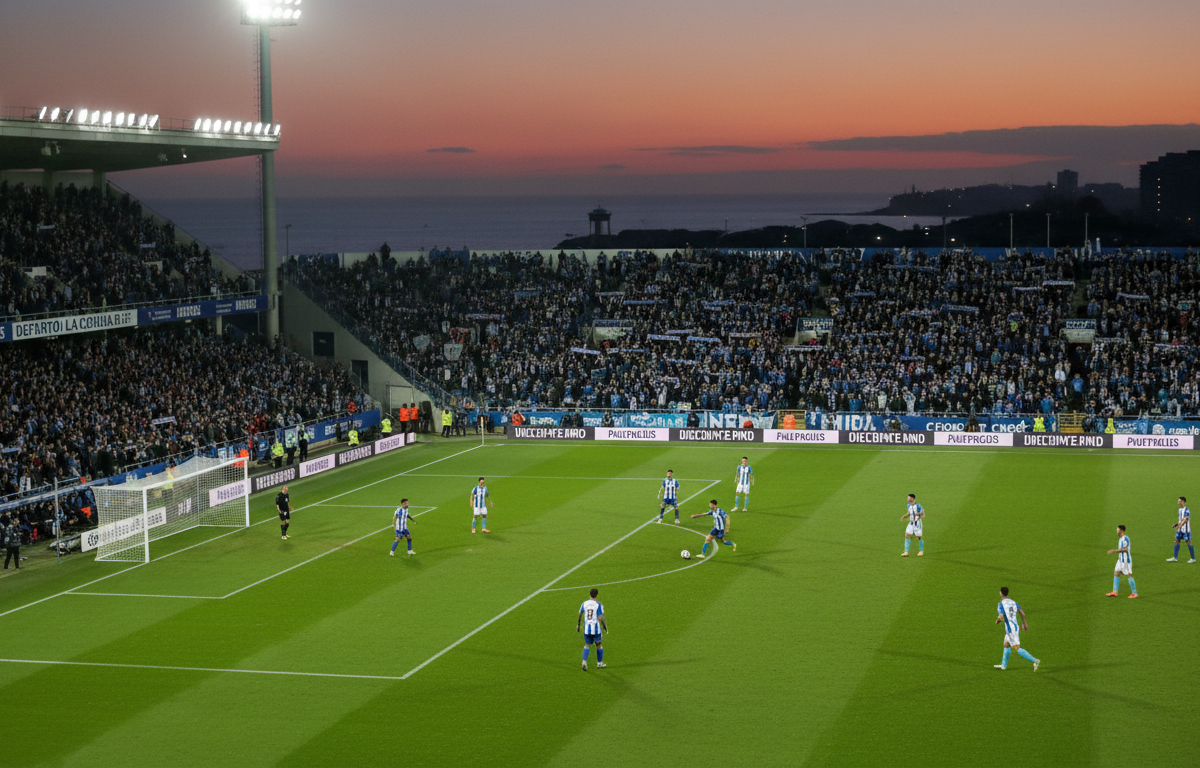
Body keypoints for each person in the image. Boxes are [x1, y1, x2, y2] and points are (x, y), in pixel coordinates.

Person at [993, 587, 1041, 671]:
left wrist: (997, 621)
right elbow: (1022, 613)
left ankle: (1035, 661)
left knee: (1017, 648)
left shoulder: (1001, 604)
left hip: (1010, 629)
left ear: (1001, 593)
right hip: (1015, 626)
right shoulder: (1013, 602)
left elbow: (1001, 616)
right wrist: (1024, 623)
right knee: (1006, 644)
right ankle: (1003, 665)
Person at [577, 587, 608, 671]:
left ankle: (584, 661)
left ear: (590, 595)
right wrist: (605, 627)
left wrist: (578, 625)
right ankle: (599, 663)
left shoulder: (584, 603)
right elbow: (600, 617)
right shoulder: (598, 605)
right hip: (596, 629)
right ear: (597, 595)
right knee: (599, 645)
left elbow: (580, 614)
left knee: (587, 645)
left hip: (587, 629)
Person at [1106, 524, 1137, 598]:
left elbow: (1125, 549)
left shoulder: (1125, 538)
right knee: (1116, 573)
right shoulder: (1120, 539)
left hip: (1126, 561)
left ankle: (1134, 593)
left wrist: (1114, 550)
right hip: (1120, 561)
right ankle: (1114, 592)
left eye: (1118, 530)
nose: (1117, 531)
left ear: (1121, 530)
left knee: (1129, 575)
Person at [1167, 496, 1195, 563]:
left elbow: (1186, 519)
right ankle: (1175, 558)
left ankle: (1193, 559)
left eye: (1179, 501)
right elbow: (1181, 520)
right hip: (1180, 529)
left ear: (1183, 502)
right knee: (1176, 541)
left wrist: (1180, 526)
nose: (1178, 502)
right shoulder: (1179, 510)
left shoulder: (1187, 510)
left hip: (1186, 530)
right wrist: (1176, 524)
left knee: (1188, 542)